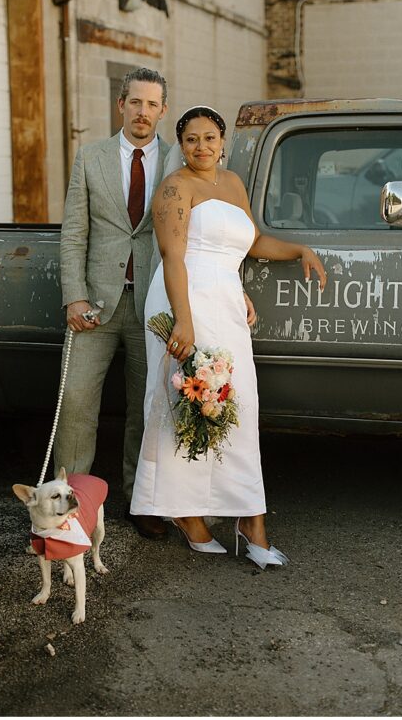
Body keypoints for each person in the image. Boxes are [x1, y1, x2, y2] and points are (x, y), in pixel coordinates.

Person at [55, 68, 256, 539]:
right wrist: (74, 295)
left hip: (157, 302)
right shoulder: (90, 158)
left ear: (163, 110)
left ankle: (140, 502)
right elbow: (73, 234)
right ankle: (69, 509)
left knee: (149, 404)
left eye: (153, 104)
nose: (143, 112)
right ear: (120, 104)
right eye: (135, 102)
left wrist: (235, 283)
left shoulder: (179, 157)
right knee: (77, 402)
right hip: (96, 306)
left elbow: (211, 235)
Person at [130, 105, 327, 568]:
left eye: (210, 137)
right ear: (181, 144)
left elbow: (251, 242)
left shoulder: (233, 183)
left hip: (225, 303)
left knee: (237, 409)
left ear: (223, 142)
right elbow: (172, 256)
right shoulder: (175, 188)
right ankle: (187, 513)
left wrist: (298, 249)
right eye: (192, 138)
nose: (202, 146)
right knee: (183, 405)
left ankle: (246, 518)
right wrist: (183, 320)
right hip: (184, 300)